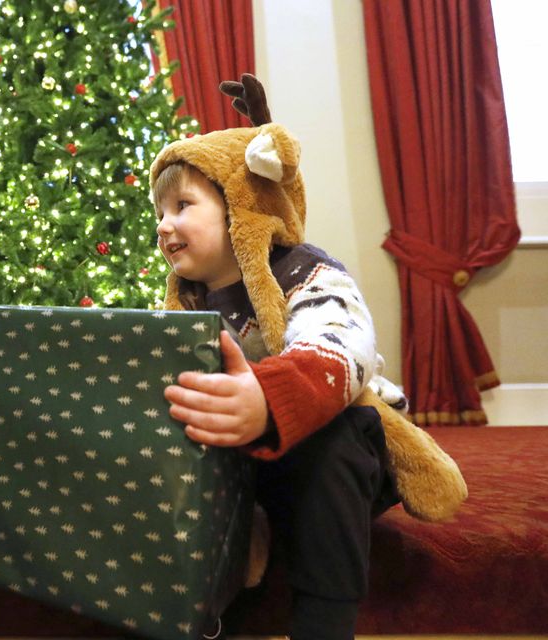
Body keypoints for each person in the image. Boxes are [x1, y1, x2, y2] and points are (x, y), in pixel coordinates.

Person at [150, 77, 465, 639]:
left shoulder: (306, 271)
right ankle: (212, 586)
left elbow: (340, 344)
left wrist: (268, 400)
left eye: (182, 206)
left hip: (340, 448)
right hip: (248, 463)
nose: (164, 224)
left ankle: (324, 618)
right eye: (158, 211)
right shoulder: (184, 303)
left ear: (240, 210)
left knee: (336, 431)